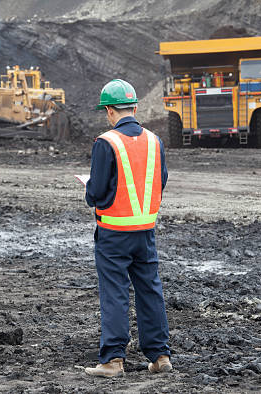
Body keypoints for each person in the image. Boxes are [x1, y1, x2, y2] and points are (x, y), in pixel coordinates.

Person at [84, 79, 171, 378]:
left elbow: (94, 191)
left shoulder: (106, 142)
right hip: (145, 232)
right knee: (150, 289)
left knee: (115, 293)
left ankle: (112, 360)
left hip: (113, 235)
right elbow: (161, 180)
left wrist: (91, 193)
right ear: (135, 107)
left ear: (109, 111)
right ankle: (160, 356)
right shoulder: (154, 140)